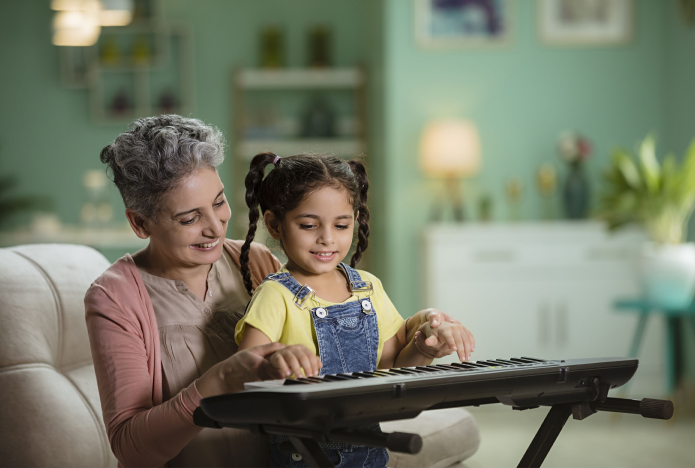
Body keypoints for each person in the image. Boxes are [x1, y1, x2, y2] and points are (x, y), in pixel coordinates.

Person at [85, 115, 324, 467]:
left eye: (218, 201)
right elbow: (131, 447)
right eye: (188, 219)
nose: (215, 227)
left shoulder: (255, 263)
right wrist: (221, 380)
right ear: (139, 223)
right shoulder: (114, 297)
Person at [235, 153, 476, 468]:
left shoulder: (368, 287)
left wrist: (425, 344)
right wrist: (274, 362)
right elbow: (245, 378)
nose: (327, 238)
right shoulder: (275, 295)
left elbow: (391, 370)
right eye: (308, 224)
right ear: (274, 224)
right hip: (305, 456)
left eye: (341, 224)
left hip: (371, 452)